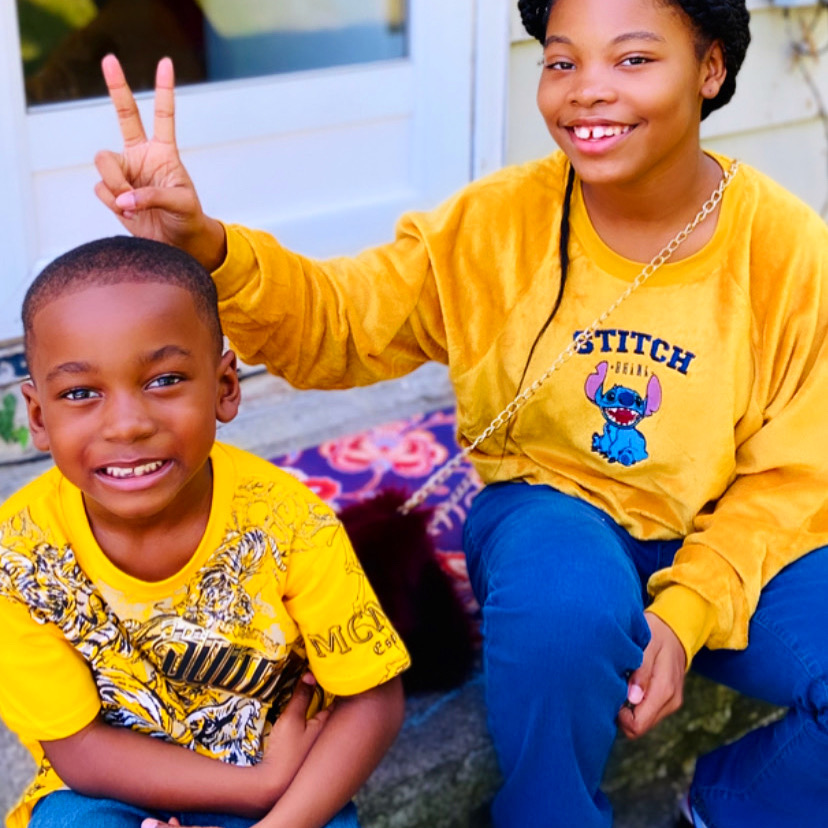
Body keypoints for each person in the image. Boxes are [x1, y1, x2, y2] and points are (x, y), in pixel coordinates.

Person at [91, 0, 828, 825]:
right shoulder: (497, 225)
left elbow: (797, 473)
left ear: (710, 68)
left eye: (632, 59)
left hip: (733, 538)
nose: (587, 90)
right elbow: (345, 319)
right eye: (561, 61)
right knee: (563, 611)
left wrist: (688, 612)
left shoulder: (788, 250)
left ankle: (725, 809)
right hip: (554, 509)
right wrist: (209, 246)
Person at [0, 236, 409, 828]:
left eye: (164, 380)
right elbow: (79, 747)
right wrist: (255, 786)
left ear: (224, 388)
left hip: (285, 793)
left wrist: (271, 815)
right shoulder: (18, 556)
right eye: (81, 393)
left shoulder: (290, 525)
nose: (127, 425)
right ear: (39, 416)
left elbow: (374, 699)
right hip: (114, 788)